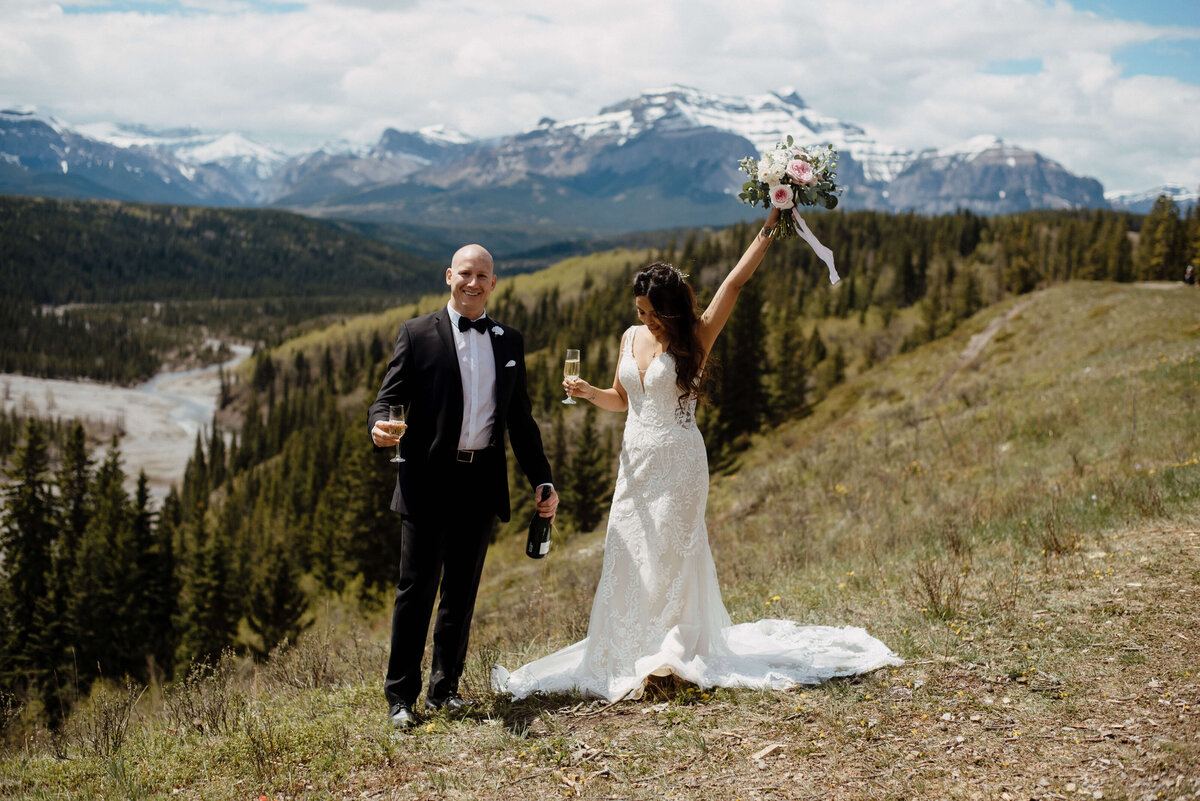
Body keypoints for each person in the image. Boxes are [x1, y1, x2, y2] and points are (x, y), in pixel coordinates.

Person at [493, 210, 901, 702]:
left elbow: (733, 283)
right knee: (628, 550)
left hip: (681, 463)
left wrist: (773, 224)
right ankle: (628, 646)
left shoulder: (697, 335)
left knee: (673, 555)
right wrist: (586, 392)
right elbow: (624, 400)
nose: (645, 319)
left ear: (670, 307)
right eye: (640, 310)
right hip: (635, 464)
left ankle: (671, 655)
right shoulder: (629, 337)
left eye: (652, 312)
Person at [369, 244, 558, 729]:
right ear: (448, 276)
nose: (473, 284)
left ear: (494, 283)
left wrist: (542, 479)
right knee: (416, 590)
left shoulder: (509, 341)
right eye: (465, 274)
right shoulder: (416, 334)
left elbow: (521, 420)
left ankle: (445, 690)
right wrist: (378, 428)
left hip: (481, 481)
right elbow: (387, 400)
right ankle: (401, 698)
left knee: (461, 592)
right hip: (427, 481)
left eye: (483, 276)